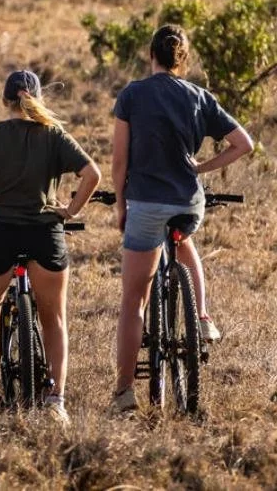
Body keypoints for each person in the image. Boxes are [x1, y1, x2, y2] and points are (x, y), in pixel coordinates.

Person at [0, 70, 101, 424]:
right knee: (54, 320)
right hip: (45, 234)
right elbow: (93, 174)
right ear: (38, 99)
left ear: (4, 100)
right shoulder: (54, 135)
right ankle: (56, 401)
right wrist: (70, 211)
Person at [109, 25, 253, 413]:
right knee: (183, 240)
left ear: (150, 55)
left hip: (145, 203)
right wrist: (202, 167)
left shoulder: (132, 95)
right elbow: (244, 143)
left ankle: (124, 392)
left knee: (133, 302)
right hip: (189, 204)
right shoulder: (199, 96)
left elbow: (119, 162)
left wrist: (121, 205)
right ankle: (202, 317)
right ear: (183, 60)